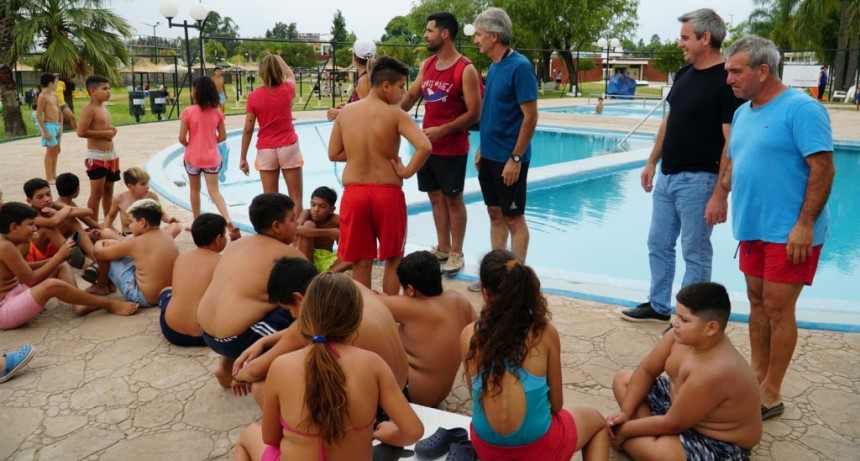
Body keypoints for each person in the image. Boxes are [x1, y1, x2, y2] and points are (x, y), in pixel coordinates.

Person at [723, 35, 836, 420]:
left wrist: (804, 224)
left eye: (736, 71)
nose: (729, 79)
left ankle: (771, 390)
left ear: (763, 71)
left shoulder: (802, 109)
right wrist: (721, 192)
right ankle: (757, 375)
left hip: (790, 230)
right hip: (752, 227)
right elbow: (737, 160)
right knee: (756, 302)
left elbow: (823, 168)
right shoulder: (743, 112)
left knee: (777, 307)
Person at [621, 9, 744, 323]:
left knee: (696, 252)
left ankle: (692, 319)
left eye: (685, 38)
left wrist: (720, 193)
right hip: (668, 176)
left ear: (706, 38)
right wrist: (652, 161)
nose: (680, 44)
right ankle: (660, 306)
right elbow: (670, 119)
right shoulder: (685, 74)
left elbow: (731, 142)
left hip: (700, 180)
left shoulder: (725, 81)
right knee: (658, 243)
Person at [233, 272, 423, 461]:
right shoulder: (373, 364)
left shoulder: (281, 366)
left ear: (306, 315)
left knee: (249, 435)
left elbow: (271, 438)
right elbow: (413, 431)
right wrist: (390, 434)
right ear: (356, 319)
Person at [461, 250, 608, 460]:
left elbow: (474, 394)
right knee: (597, 422)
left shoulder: (467, 335)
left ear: (485, 293)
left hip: (487, 448)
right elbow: (556, 406)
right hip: (539, 451)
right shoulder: (545, 334)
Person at [607, 282, 763, 460]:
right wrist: (625, 413)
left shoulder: (715, 370)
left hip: (716, 441)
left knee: (662, 454)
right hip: (677, 413)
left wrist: (622, 430)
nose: (675, 323)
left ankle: (640, 438)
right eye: (677, 315)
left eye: (685, 320)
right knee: (623, 379)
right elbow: (646, 371)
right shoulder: (677, 336)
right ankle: (647, 437)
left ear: (711, 327)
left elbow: (672, 424)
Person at [231, 264, 410, 415]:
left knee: (262, 385)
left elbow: (254, 371)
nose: (292, 315)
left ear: (297, 298)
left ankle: (298, 442)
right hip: (401, 393)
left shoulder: (314, 319)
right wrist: (264, 341)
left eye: (288, 309)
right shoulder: (349, 288)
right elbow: (298, 331)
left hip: (376, 412)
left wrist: (238, 376)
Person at [327, 56, 432, 295]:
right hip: (387, 193)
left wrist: (357, 154)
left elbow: (334, 153)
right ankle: (389, 312)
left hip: (355, 194)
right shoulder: (395, 115)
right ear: (386, 86)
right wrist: (406, 171)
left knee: (361, 261)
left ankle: (366, 317)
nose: (402, 93)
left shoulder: (345, 113)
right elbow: (425, 146)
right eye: (400, 87)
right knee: (394, 259)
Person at [400, 12, 482, 275]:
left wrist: (442, 130)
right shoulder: (428, 65)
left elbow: (474, 113)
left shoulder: (465, 69)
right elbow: (412, 96)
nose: (425, 35)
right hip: (427, 146)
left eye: (430, 30)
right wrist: (386, 115)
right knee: (435, 197)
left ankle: (457, 252)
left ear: (444, 34)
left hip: (452, 148)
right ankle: (443, 247)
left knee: (453, 198)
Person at [197, 193, 305, 388]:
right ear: (276, 226)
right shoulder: (290, 256)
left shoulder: (237, 245)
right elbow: (315, 298)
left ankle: (226, 364)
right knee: (303, 311)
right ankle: (256, 370)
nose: (297, 223)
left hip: (206, 333)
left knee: (255, 301)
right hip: (238, 340)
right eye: (292, 219)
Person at [469, 7, 538, 292]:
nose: (476, 40)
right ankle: (496, 277)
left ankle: (517, 283)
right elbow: (494, 112)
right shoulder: (496, 67)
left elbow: (530, 117)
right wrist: (483, 147)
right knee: (495, 214)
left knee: (513, 218)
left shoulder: (520, 67)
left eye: (480, 35)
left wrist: (516, 158)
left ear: (494, 36)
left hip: (510, 160)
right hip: (490, 156)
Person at [0, 202, 138, 329]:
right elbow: (31, 279)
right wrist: (58, 256)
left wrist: (58, 259)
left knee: (62, 266)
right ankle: (108, 304)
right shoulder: (4, 246)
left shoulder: (8, 241)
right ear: (13, 227)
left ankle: (80, 304)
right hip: (4, 310)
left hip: (15, 291)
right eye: (30, 225)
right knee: (52, 285)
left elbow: (26, 268)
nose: (35, 229)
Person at [378, 250, 476, 407]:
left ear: (410, 290)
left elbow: (364, 299)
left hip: (412, 397)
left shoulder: (413, 307)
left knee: (370, 334)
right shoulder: (459, 300)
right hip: (439, 394)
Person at [179, 76, 240, 241]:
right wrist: (211, 142)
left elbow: (181, 138)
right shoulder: (218, 112)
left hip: (192, 158)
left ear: (196, 92)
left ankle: (196, 222)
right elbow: (223, 136)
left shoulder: (188, 112)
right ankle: (227, 219)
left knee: (194, 190)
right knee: (214, 191)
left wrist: (191, 144)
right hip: (212, 158)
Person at [88, 199, 178, 310]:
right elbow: (177, 225)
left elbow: (99, 254)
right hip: (167, 294)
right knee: (115, 246)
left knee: (106, 246)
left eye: (131, 222)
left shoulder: (135, 243)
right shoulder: (167, 234)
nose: (130, 226)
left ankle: (101, 286)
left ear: (142, 222)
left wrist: (99, 242)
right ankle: (109, 284)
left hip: (143, 297)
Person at [240, 54, 303, 210]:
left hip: (266, 149)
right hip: (288, 145)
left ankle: (274, 234)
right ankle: (296, 233)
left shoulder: (253, 97)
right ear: (278, 71)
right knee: (295, 197)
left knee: (270, 200)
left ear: (261, 73)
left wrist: (243, 158)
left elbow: (248, 130)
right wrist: (277, 58)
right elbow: (290, 74)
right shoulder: (288, 89)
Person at [158, 213, 227, 347]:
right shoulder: (223, 262)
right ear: (219, 239)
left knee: (166, 291)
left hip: (173, 332)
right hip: (207, 336)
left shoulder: (181, 259)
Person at [77, 75, 121, 222]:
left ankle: (107, 224)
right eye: (104, 89)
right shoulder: (89, 109)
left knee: (109, 192)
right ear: (93, 91)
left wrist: (111, 130)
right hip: (97, 156)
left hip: (111, 155)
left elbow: (102, 126)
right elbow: (81, 132)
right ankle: (93, 224)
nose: (108, 92)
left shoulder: (103, 107)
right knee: (96, 194)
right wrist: (105, 133)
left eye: (109, 88)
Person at [102, 167, 180, 239]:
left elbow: (161, 214)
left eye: (147, 183)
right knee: (106, 232)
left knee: (176, 227)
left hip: (149, 235)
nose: (147, 186)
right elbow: (110, 216)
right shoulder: (119, 199)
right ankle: (149, 246)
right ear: (130, 186)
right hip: (130, 236)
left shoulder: (152, 196)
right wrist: (104, 230)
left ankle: (136, 247)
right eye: (143, 184)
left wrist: (170, 219)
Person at [295, 186, 350, 273]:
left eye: (322, 206)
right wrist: (329, 232)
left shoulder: (337, 221)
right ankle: (307, 272)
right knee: (309, 224)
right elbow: (296, 230)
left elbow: (346, 248)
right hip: (306, 256)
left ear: (332, 209)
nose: (316, 209)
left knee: (354, 257)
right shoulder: (306, 213)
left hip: (327, 260)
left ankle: (325, 276)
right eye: (313, 205)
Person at [326, 39, 376, 121]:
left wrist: (340, 113)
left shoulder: (364, 80)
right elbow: (364, 105)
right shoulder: (369, 77)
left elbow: (369, 113)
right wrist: (349, 105)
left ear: (354, 57)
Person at [36, 73, 62, 185]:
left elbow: (59, 112)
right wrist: (45, 131)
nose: (57, 84)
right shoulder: (43, 97)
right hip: (49, 125)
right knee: (50, 151)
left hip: (56, 125)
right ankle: (48, 176)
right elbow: (38, 115)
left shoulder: (54, 96)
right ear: (50, 83)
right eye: (56, 82)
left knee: (57, 150)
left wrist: (60, 127)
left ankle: (53, 173)